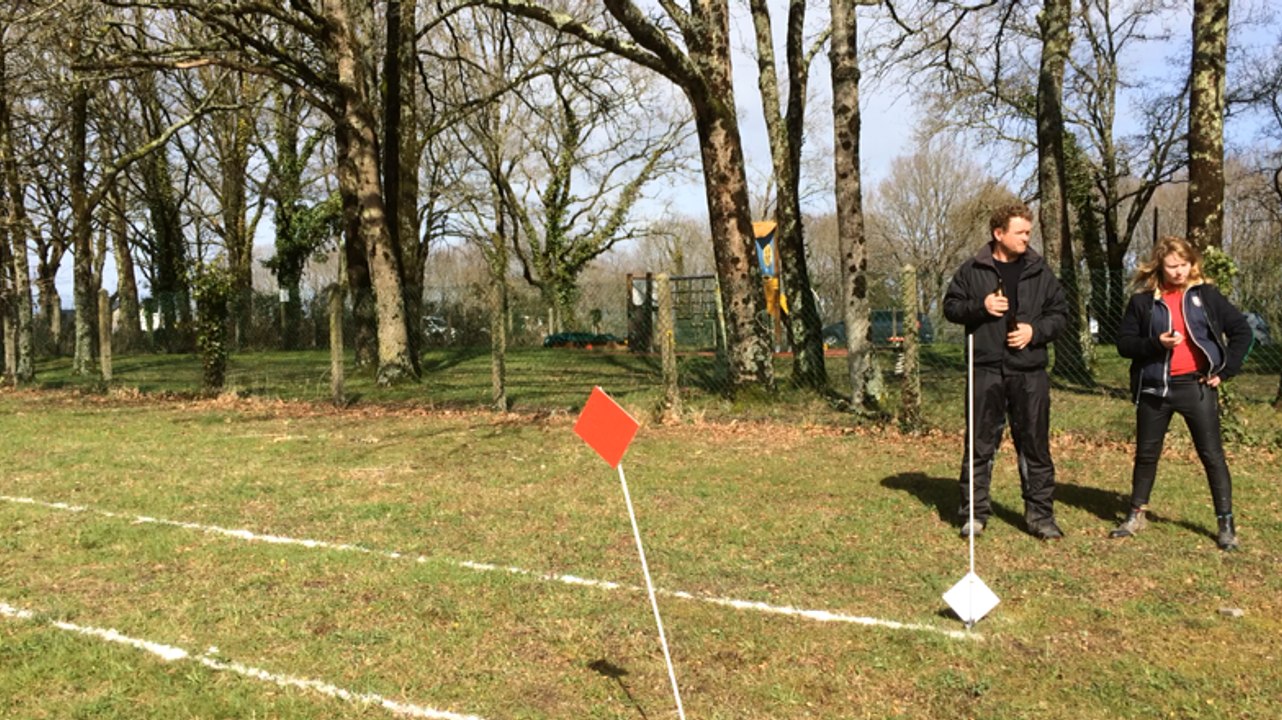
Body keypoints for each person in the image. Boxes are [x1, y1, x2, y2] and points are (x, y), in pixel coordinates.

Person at [1110, 236, 1253, 551]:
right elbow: (1124, 344)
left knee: (1212, 455)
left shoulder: (1208, 297)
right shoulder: (1142, 301)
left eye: (1184, 265)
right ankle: (1136, 514)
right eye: (1172, 266)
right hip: (1154, 388)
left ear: (1192, 264)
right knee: (1146, 454)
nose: (1178, 272)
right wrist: (1155, 344)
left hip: (1196, 386)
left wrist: (1225, 371)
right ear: (1159, 265)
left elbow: (1242, 331)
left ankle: (1226, 524)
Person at [944, 203, 1068, 539]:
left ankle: (1040, 517)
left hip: (1029, 372)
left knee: (1034, 445)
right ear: (999, 234)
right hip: (986, 369)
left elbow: (1060, 314)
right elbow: (951, 307)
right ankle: (974, 513)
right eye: (1021, 232)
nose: (1027, 238)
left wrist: (1035, 332)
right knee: (980, 444)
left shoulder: (1040, 272)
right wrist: (980, 307)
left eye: (1029, 232)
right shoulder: (972, 270)